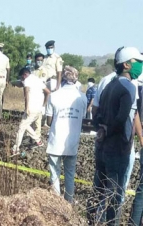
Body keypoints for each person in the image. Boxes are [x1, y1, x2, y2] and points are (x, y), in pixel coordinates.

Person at [88, 47, 143, 225]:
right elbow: (122, 117)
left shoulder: (109, 84)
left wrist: (101, 130)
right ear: (126, 65)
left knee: (101, 191)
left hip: (104, 147)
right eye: (138, 62)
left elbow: (96, 115)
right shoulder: (128, 87)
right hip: (119, 148)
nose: (140, 66)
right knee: (115, 195)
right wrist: (110, 131)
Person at [45, 66, 87, 203]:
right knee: (70, 173)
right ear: (76, 79)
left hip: (56, 141)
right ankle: (69, 201)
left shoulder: (54, 96)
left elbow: (49, 121)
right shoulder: (82, 97)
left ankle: (57, 202)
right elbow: (83, 117)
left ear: (63, 78)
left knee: (55, 173)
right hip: (72, 142)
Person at [12, 68, 50, 154]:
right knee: (25, 125)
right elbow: (48, 92)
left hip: (31, 108)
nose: (22, 79)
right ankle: (38, 141)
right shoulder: (38, 79)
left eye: (22, 77)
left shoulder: (27, 80)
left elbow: (26, 95)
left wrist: (27, 108)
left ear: (24, 75)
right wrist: (44, 105)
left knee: (21, 128)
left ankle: (16, 149)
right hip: (38, 109)